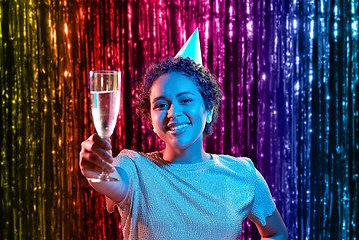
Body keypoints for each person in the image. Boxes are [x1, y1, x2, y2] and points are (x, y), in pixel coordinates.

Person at [80, 30, 287, 240]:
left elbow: (276, 233)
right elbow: (110, 181)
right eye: (161, 105)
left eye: (186, 100)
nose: (173, 113)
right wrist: (94, 170)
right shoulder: (134, 166)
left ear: (208, 110)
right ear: (151, 120)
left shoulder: (243, 174)